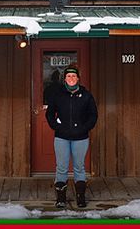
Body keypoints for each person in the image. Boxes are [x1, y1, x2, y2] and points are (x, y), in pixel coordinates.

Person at [45, 65, 97, 208]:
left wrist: (84, 127)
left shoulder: (86, 95)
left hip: (81, 138)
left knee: (79, 167)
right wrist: (57, 126)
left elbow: (93, 115)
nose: (71, 78)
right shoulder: (58, 94)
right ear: (65, 78)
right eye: (68, 76)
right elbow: (49, 114)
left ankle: (80, 198)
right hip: (61, 137)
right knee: (61, 167)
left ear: (78, 78)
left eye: (74, 76)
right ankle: (61, 198)